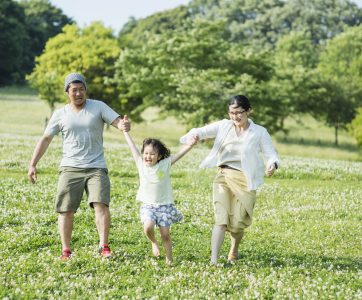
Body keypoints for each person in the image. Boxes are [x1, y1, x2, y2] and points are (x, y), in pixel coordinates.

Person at [27, 73, 130, 260]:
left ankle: (104, 246)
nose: (78, 93)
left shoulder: (98, 107)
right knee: (65, 210)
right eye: (74, 90)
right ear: (67, 92)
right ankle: (66, 250)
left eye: (81, 89)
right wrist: (33, 164)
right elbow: (46, 138)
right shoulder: (60, 114)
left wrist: (123, 124)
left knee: (101, 205)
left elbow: (117, 122)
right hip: (70, 167)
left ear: (86, 90)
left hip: (96, 167)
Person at [180, 94, 280, 265]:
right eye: (231, 113)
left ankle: (234, 249)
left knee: (237, 223)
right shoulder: (224, 126)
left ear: (248, 111)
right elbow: (201, 131)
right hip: (224, 176)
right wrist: (193, 136)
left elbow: (271, 154)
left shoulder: (260, 132)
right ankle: (213, 261)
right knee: (221, 219)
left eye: (239, 112)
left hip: (245, 180)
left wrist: (272, 164)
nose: (235, 117)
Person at [122, 118, 198, 264]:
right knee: (148, 227)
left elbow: (179, 154)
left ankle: (169, 257)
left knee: (166, 234)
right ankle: (153, 242)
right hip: (148, 205)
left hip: (165, 206)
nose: (148, 156)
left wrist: (191, 145)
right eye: (146, 153)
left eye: (152, 154)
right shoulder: (140, 164)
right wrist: (125, 132)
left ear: (159, 156)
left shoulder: (164, 164)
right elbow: (132, 146)